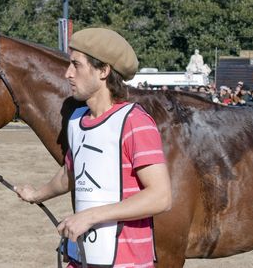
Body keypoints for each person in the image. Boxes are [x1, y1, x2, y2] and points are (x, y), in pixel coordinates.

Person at [15, 28, 172, 267]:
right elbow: (70, 172)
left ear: (103, 71)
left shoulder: (135, 122)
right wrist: (36, 194)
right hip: (80, 258)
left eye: (76, 65)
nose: (67, 73)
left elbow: (160, 197)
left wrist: (89, 217)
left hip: (125, 262)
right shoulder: (77, 120)